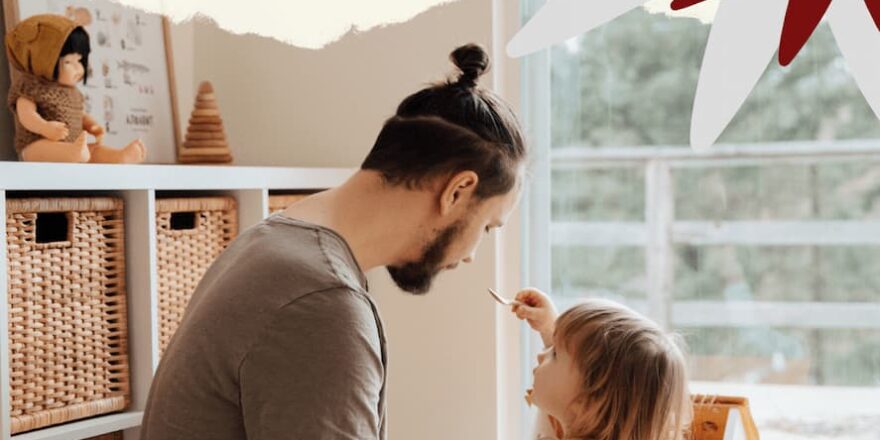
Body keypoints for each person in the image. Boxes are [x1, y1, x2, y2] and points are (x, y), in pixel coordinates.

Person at [140, 43, 527, 439]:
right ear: (458, 191)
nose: (472, 256)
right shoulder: (322, 302)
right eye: (488, 227)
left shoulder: (275, 242)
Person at [511, 288, 692, 440]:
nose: (541, 355)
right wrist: (551, 330)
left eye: (555, 353)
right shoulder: (580, 414)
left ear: (587, 402)